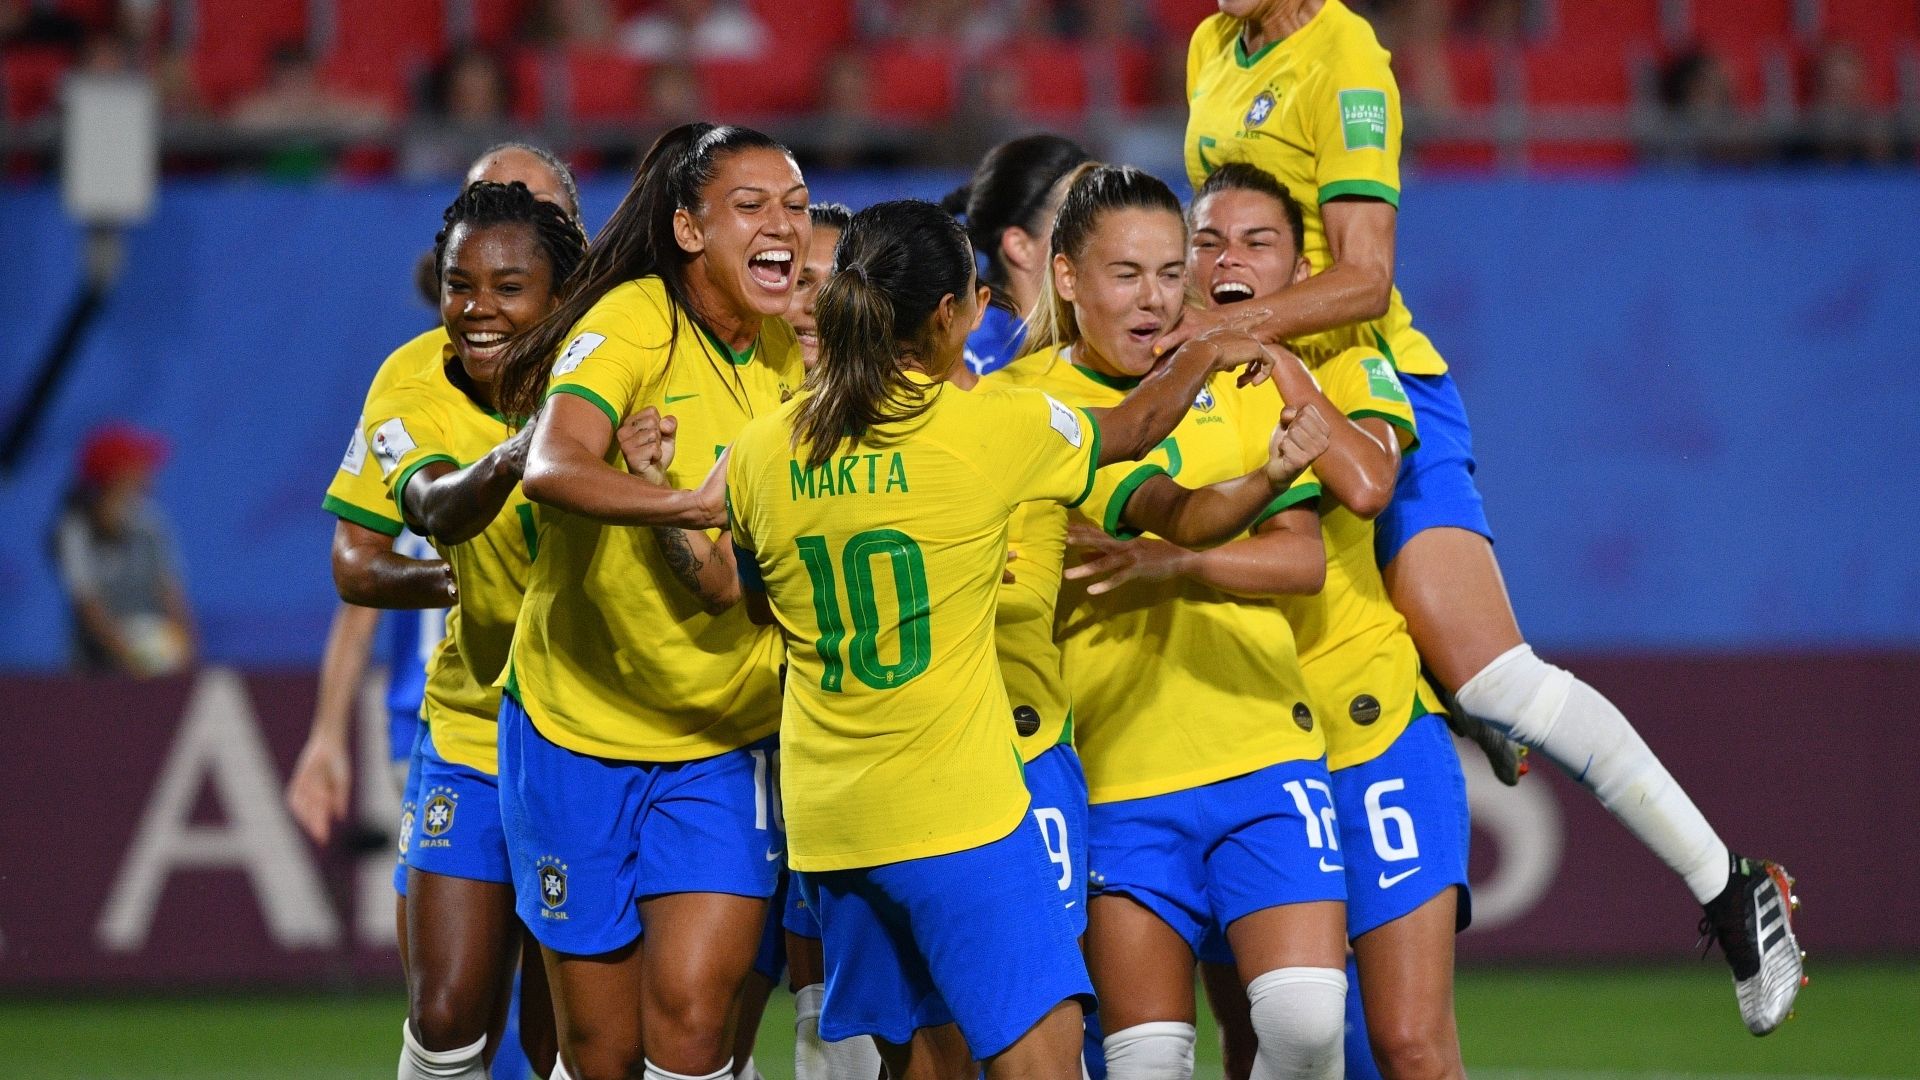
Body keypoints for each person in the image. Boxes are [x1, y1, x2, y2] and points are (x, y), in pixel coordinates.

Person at [1164, 0, 1802, 1033]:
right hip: (1256, 394)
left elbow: (1366, 277)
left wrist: (1222, 331)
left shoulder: (1348, 59)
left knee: (1498, 677)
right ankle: (1431, 686)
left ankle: (1731, 890)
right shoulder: (1209, 45)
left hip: (1372, 389)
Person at [719, 196, 1291, 1079]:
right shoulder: (985, 430)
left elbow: (758, 606)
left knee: (916, 1060)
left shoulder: (761, 450)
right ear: (951, 315)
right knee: (1045, 1060)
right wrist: (1212, 346)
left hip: (832, 823)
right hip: (955, 811)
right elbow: (1133, 427)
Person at [995, 163, 1345, 1080]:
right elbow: (1166, 504)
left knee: (1308, 1024)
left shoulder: (1238, 382)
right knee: (1148, 1064)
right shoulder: (1023, 405)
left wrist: (1215, 533)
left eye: (1169, 272)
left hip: (1263, 746)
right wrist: (1234, 503)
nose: (1154, 299)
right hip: (1111, 774)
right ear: (1067, 278)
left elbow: (1302, 557)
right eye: (1125, 274)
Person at [489, 122, 809, 1080]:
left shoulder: (805, 351)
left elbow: (732, 580)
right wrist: (682, 499)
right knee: (601, 1050)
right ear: (686, 229)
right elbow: (550, 465)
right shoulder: (634, 322)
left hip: (724, 741)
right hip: (577, 727)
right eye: (749, 207)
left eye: (793, 204)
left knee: (694, 1026)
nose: (781, 226)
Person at [288, 142, 582, 1080]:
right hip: (466, 719)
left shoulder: (624, 361)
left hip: (602, 735)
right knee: (449, 1011)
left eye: (529, 217)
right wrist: (462, 577)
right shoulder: (416, 377)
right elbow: (362, 562)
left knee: (569, 1032)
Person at [1187, 163, 1469, 1080]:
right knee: (1259, 1042)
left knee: (1409, 1043)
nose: (1229, 259)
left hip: (1371, 734)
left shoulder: (1350, 360)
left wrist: (1272, 355)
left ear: (1299, 265)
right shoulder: (1162, 389)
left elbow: (1369, 482)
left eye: (1256, 243)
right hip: (1243, 754)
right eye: (1209, 242)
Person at [941, 134, 1091, 376]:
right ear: (1020, 247)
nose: (1105, 237)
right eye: (1081, 221)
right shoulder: (965, 362)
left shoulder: (1113, 345)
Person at [53, 423, 196, 677]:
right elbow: (87, 605)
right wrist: (130, 655)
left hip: (157, 662)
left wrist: (183, 649)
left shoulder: (151, 522)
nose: (150, 471)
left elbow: (170, 591)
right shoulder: (75, 531)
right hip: (97, 669)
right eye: (140, 464)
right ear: (118, 474)